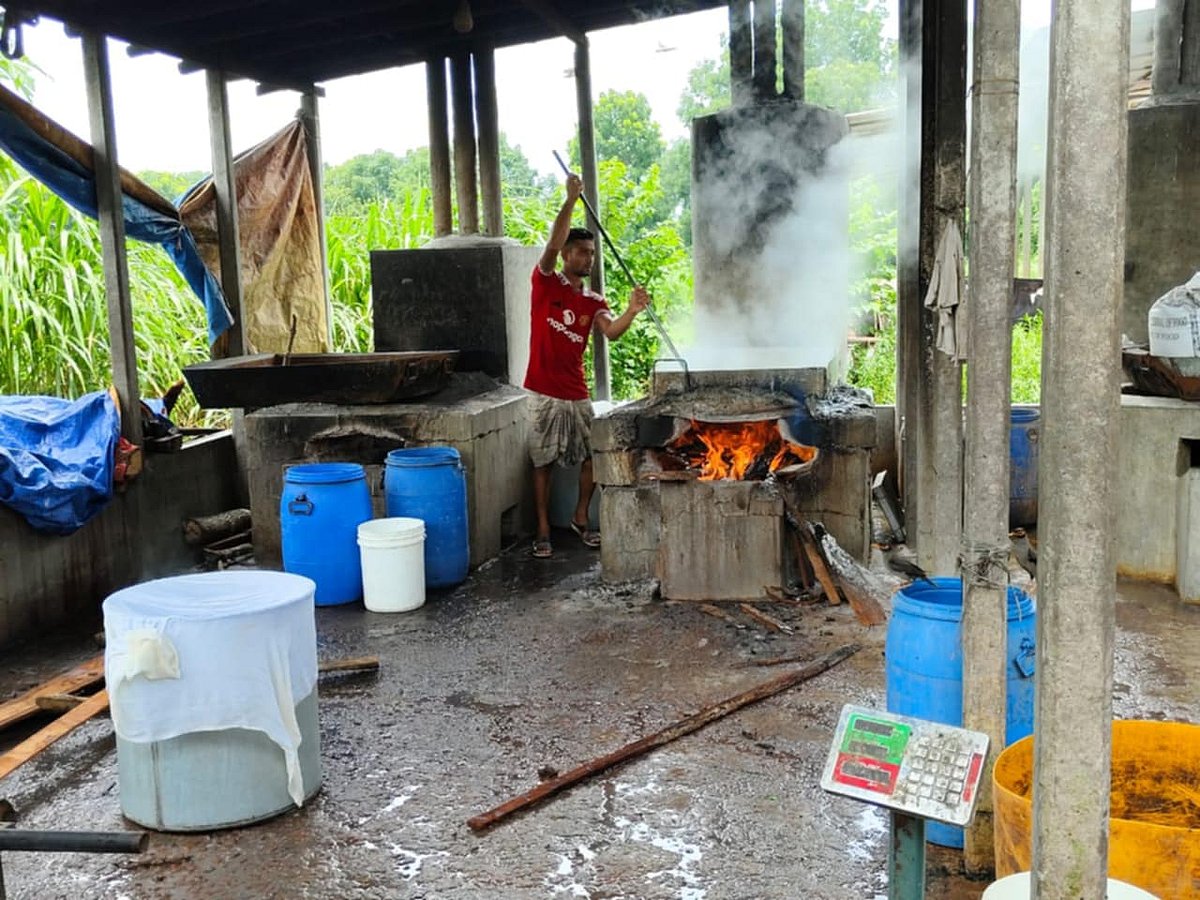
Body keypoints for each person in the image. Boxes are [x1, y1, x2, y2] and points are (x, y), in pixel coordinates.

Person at [524, 172, 649, 558]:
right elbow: (550, 243)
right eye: (581, 252)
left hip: (577, 391)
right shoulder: (546, 282)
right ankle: (544, 528)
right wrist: (570, 201)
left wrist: (631, 309)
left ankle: (581, 517)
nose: (588, 258)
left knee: (590, 457)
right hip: (543, 389)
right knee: (541, 461)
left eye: (592, 254)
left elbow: (610, 333)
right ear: (566, 255)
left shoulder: (594, 301)